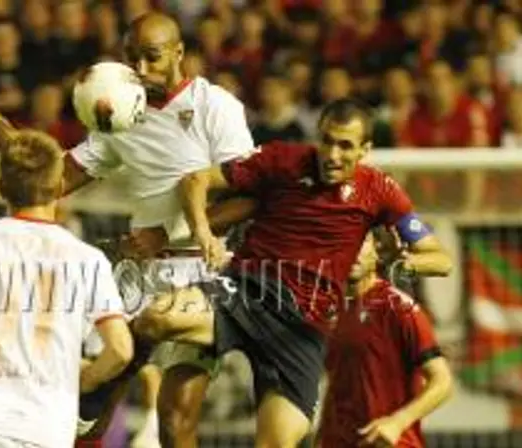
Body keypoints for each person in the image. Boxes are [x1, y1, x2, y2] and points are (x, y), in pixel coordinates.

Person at [0, 11, 255, 448]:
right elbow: (51, 179)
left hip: (200, 275)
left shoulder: (216, 108)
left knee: (175, 421)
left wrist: (167, 236)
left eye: (152, 57)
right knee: (82, 416)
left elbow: (251, 197)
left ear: (179, 53)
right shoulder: (118, 111)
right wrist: (0, 124)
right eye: (132, 58)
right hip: (139, 275)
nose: (141, 69)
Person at [130, 98, 453, 447]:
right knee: (155, 320)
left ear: (365, 150)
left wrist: (399, 263)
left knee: (278, 442)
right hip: (247, 289)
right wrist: (203, 232)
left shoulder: (380, 190)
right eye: (327, 140)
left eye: (345, 146)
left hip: (303, 325)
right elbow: (196, 179)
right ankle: (111, 377)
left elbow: (440, 259)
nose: (332, 154)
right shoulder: (282, 159)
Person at [0, 130, 134, 448]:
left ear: (0, 187)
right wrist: (86, 379)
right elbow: (121, 350)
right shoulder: (89, 260)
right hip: (47, 427)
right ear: (60, 188)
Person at [317, 232, 454, 447]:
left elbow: (443, 381)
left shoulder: (399, 309)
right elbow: (337, 385)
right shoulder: (329, 311)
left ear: (378, 252)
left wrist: (397, 423)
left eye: (361, 242)